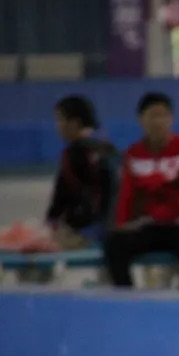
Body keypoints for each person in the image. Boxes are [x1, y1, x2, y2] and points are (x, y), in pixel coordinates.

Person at [104, 92, 179, 290]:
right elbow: (126, 195)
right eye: (153, 116)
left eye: (163, 116)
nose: (158, 121)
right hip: (148, 227)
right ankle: (128, 299)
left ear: (171, 119)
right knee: (114, 245)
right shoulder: (133, 155)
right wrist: (122, 223)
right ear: (141, 120)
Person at [45, 95, 118, 250]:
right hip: (113, 227)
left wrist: (49, 223)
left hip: (87, 231)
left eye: (60, 120)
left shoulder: (74, 153)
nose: (57, 126)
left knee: (38, 250)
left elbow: (62, 195)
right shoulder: (108, 149)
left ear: (75, 123)